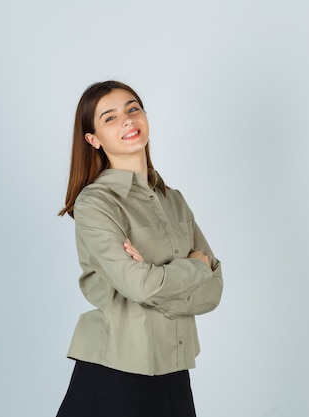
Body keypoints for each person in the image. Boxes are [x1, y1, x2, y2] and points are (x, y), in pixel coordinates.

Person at [56, 80, 223, 417]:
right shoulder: (96, 203)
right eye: (110, 117)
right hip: (117, 372)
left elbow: (213, 293)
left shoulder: (173, 200)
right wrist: (197, 267)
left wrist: (156, 278)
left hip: (175, 374)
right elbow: (139, 284)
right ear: (93, 139)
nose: (128, 120)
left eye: (133, 109)